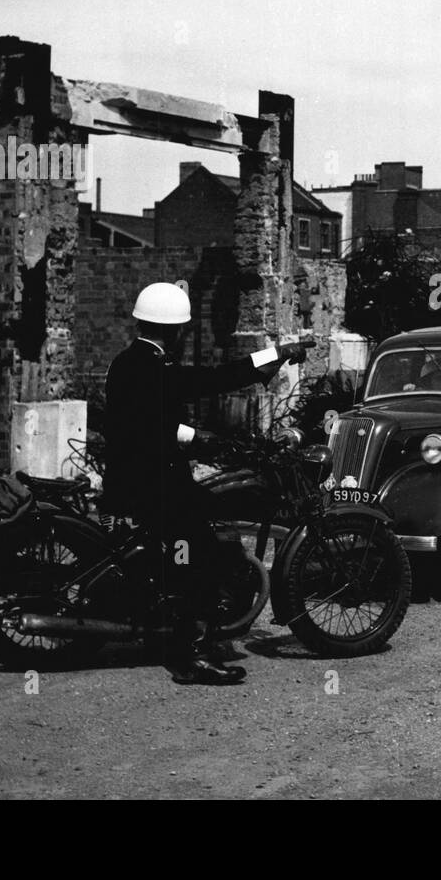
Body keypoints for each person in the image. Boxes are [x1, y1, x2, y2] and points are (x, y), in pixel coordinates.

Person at [103, 282, 307, 686]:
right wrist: (274, 355)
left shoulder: (125, 362)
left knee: (195, 536)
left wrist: (198, 439)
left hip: (133, 478)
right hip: (152, 483)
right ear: (175, 330)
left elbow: (146, 421)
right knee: (204, 553)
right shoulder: (155, 366)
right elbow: (211, 379)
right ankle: (192, 655)